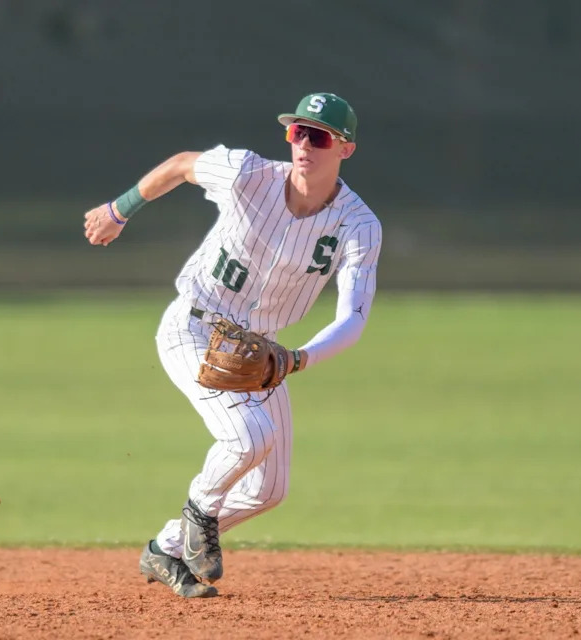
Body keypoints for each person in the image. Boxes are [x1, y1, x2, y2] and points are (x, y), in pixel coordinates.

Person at [83, 92, 382, 598]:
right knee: (248, 437)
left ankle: (166, 548)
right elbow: (181, 165)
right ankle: (200, 510)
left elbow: (352, 318)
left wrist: (295, 359)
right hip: (193, 326)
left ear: (345, 149)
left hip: (258, 353)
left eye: (320, 135)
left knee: (269, 489)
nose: (305, 144)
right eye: (297, 132)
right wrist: (119, 209)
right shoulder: (247, 174)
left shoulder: (359, 225)